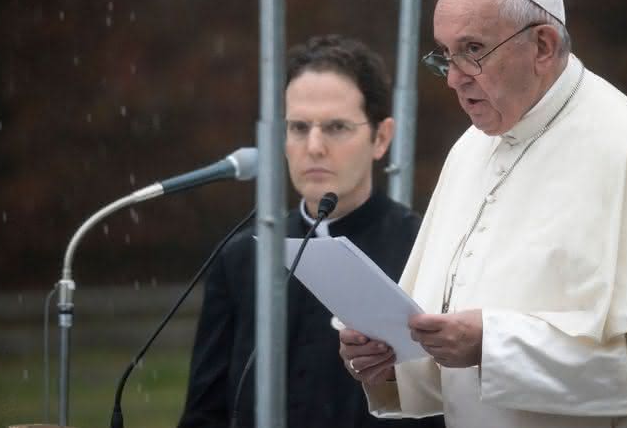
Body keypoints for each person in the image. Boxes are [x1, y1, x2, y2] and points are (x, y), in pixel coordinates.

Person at [339, 0, 627, 427]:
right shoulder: (471, 149)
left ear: (542, 45)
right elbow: (446, 333)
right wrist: (391, 357)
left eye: (472, 49)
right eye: (445, 53)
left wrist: (491, 346)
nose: (454, 77)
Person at [179, 35, 444, 428]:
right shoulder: (242, 257)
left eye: (337, 127)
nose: (314, 146)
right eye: (299, 127)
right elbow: (206, 413)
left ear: (381, 138)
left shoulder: (427, 248)